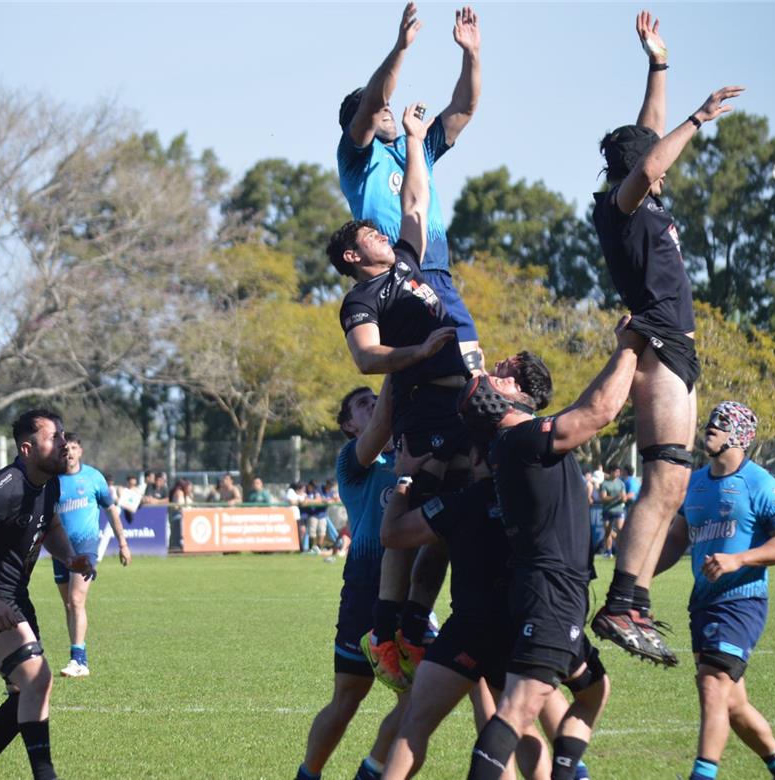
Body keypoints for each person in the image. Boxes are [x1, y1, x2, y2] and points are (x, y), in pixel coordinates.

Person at [588, 9, 745, 665]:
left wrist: (659, 64)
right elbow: (653, 154)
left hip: (672, 342)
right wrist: (701, 117)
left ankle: (634, 599)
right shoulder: (619, 206)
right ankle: (623, 600)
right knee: (666, 475)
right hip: (658, 339)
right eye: (651, 161)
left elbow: (649, 135)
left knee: (672, 483)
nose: (662, 165)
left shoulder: (644, 198)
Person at [462, 315, 641, 780]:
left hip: (551, 590)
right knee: (519, 710)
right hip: (550, 592)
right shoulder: (521, 440)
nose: (495, 372)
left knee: (593, 692)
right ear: (509, 398)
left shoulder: (515, 442)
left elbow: (585, 407)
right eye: (495, 377)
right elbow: (600, 410)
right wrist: (629, 347)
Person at [331, 97, 461, 691]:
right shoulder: (362, 301)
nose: (384, 234)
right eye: (369, 234)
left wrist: (413, 137)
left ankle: (409, 623)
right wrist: (420, 353)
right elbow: (367, 357)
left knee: (451, 511)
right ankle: (386, 632)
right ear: (354, 256)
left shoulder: (407, 264)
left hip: (451, 393)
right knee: (419, 507)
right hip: (423, 401)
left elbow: (415, 200)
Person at [377, 443, 595, 780]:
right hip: (521, 626)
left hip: (469, 629)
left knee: (415, 725)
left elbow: (392, 534)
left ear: (477, 458)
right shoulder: (531, 500)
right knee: (519, 727)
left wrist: (405, 477)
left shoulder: (461, 502)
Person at [652, 401, 775, 780]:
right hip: (703, 603)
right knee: (733, 705)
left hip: (741, 602)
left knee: (712, 684)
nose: (710, 427)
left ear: (739, 434)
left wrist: (739, 560)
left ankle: (702, 776)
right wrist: (638, 578)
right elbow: (675, 539)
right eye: (710, 421)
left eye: (720, 423)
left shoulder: (761, 484)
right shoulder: (697, 482)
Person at [0, 409, 93, 780]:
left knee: (25, 690)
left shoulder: (50, 482)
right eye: (53, 437)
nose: (63, 443)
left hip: (13, 597)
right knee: (37, 680)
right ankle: (45, 775)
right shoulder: (3, 488)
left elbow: (51, 523)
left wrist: (69, 557)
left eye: (63, 436)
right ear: (26, 448)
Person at [338, 2, 484, 364]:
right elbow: (373, 102)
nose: (387, 108)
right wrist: (401, 47)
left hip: (437, 273)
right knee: (418, 375)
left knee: (470, 369)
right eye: (379, 106)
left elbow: (463, 108)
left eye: (390, 104)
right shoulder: (356, 159)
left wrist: (472, 55)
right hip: (394, 280)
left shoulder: (415, 143)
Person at [298, 383, 406, 780]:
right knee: (347, 699)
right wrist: (396, 369)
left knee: (420, 697)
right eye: (363, 405)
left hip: (411, 595)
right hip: (366, 590)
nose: (374, 405)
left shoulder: (411, 453)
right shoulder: (353, 460)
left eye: (375, 401)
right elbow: (378, 430)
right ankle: (308, 774)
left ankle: (372, 771)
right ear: (348, 425)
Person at [53, 433, 128, 677]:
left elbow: (111, 511)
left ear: (80, 451)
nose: (69, 453)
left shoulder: (94, 478)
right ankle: (78, 658)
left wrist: (122, 544)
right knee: (68, 604)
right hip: (60, 550)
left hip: (86, 547)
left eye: (73, 448)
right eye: (65, 449)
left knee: (76, 600)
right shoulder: (52, 480)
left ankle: (78, 661)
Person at [598, 466, 626, 559]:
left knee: (620, 530)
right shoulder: (605, 484)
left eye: (619, 472)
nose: (618, 474)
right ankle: (608, 552)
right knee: (608, 531)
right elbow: (603, 498)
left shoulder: (621, 483)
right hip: (607, 510)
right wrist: (615, 497)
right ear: (611, 472)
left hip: (619, 510)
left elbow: (624, 497)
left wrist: (623, 498)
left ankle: (622, 551)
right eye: (616, 472)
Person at [169, 478, 193, 552]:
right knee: (177, 533)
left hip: (186, 516)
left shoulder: (188, 494)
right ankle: (175, 547)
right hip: (178, 516)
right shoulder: (179, 493)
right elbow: (177, 506)